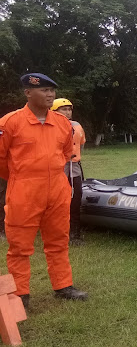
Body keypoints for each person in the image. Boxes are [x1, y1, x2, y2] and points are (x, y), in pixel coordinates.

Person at [0, 73, 88, 308]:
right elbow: (1, 160)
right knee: (20, 246)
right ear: (28, 92)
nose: (50, 95)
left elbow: (64, 154)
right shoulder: (10, 122)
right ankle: (20, 294)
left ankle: (63, 285)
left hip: (57, 190)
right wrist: (22, 179)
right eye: (44, 90)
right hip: (24, 192)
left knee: (59, 240)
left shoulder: (61, 123)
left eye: (52, 90)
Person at [51, 98, 86, 245]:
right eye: (63, 109)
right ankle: (56, 232)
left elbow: (81, 144)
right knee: (56, 201)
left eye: (69, 109)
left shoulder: (77, 126)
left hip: (74, 166)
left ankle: (74, 233)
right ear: (54, 111)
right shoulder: (49, 127)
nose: (67, 112)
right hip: (57, 167)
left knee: (75, 198)